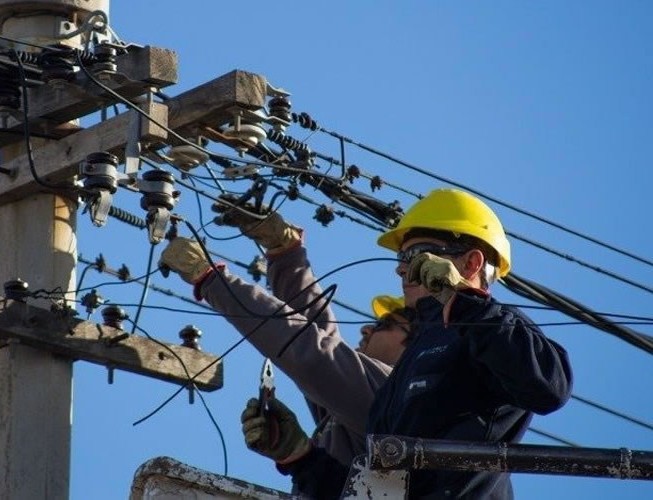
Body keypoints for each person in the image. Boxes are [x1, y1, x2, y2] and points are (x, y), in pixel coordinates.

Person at [270, 188, 574, 499]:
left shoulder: (495, 328)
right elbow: (377, 489)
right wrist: (301, 459)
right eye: (402, 258)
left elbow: (550, 387)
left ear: (470, 263)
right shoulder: (406, 368)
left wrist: (465, 303)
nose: (402, 269)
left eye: (417, 254)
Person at [159, 209, 412, 494]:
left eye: (384, 324)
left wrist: (212, 281)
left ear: (415, 345)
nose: (366, 329)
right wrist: (286, 253)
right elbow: (318, 334)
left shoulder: (393, 393)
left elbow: (311, 352)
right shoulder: (356, 409)